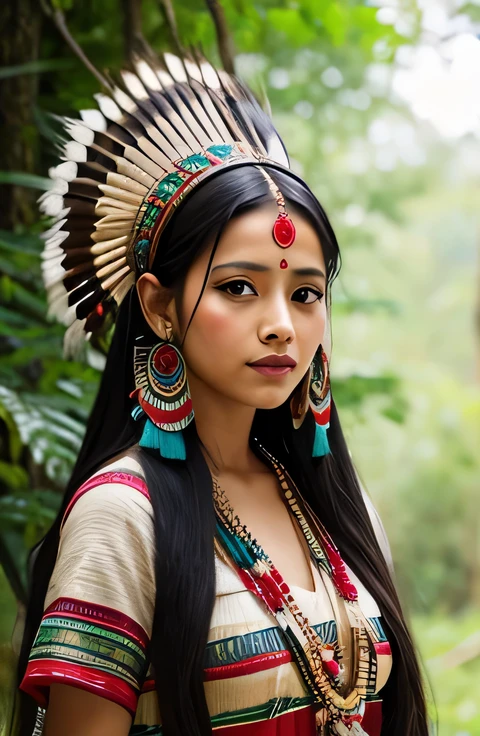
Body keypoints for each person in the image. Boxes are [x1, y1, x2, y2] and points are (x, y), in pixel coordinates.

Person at [13, 52, 431, 736]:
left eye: (305, 294)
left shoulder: (340, 508)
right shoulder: (123, 516)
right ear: (159, 306)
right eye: (240, 287)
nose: (280, 325)